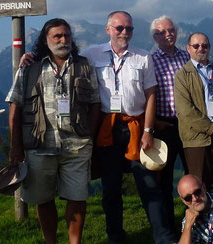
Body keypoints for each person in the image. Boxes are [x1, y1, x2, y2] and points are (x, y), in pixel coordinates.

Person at [80, 11, 176, 244]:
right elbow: (62, 58)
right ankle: (115, 237)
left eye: (129, 29)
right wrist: (33, 56)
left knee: (149, 185)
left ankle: (163, 237)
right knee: (111, 187)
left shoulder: (143, 57)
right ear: (108, 30)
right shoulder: (92, 54)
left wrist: (148, 130)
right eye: (119, 28)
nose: (125, 33)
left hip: (136, 127)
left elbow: (151, 95)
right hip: (107, 128)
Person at [6, 18, 100, 244]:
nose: (63, 40)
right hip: (39, 145)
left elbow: (95, 104)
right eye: (57, 36)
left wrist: (91, 138)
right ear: (45, 40)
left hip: (77, 145)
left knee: (77, 197)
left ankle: (74, 241)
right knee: (42, 198)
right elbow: (14, 107)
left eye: (66, 35)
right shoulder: (30, 68)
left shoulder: (85, 66)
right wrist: (16, 147)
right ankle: (51, 241)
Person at [174, 32, 213, 190]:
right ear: (188, 49)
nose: (200, 49)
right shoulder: (182, 75)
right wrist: (212, 129)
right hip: (196, 137)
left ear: (209, 48)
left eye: (205, 45)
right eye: (196, 46)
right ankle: (202, 215)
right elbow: (185, 110)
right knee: (199, 185)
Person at [150, 15, 190, 232]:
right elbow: (146, 94)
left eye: (171, 30)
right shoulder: (150, 60)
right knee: (163, 178)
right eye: (163, 32)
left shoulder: (186, 56)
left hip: (188, 124)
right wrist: (154, 121)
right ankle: (168, 227)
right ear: (156, 37)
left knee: (193, 173)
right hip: (164, 125)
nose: (168, 34)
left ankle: (194, 222)